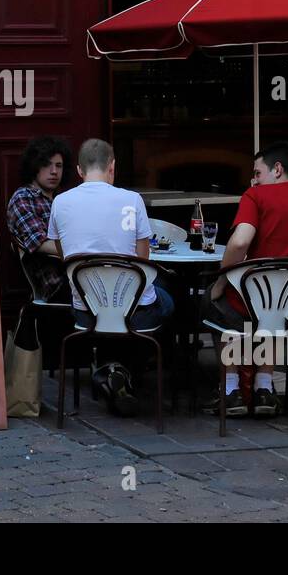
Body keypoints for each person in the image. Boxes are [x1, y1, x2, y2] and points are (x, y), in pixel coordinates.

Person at [202, 141, 288, 418]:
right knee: (272, 308)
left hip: (250, 307)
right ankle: (263, 387)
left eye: (257, 173)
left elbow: (239, 243)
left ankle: (231, 389)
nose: (254, 180)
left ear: (277, 169)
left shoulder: (257, 196)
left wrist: (221, 282)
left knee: (214, 300)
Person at [47, 138, 174, 415]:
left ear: (79, 170)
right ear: (112, 167)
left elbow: (63, 253)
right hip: (135, 313)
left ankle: (114, 370)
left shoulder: (60, 202)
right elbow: (143, 261)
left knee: (110, 313)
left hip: (86, 313)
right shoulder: (132, 200)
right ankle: (134, 374)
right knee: (168, 299)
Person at [6, 136, 72, 304]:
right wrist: (87, 247)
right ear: (34, 167)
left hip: (80, 274)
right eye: (46, 164)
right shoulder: (24, 198)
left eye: (59, 166)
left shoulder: (63, 199)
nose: (54, 171)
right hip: (57, 285)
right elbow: (40, 243)